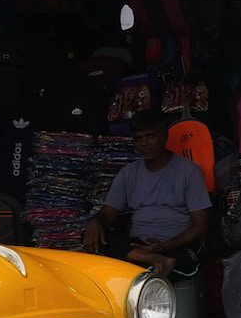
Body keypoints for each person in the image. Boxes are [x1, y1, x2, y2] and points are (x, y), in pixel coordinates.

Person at [83, 109, 211, 277]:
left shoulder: (189, 171)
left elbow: (201, 226)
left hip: (175, 246)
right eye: (138, 138)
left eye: (150, 136)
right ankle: (153, 260)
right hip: (138, 244)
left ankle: (150, 260)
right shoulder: (128, 173)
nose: (144, 143)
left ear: (164, 136)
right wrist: (96, 221)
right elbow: (108, 213)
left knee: (183, 260)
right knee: (92, 234)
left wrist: (166, 246)